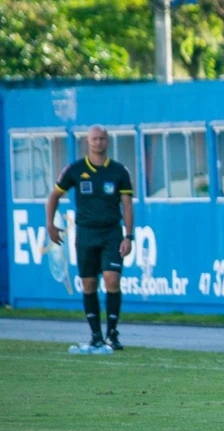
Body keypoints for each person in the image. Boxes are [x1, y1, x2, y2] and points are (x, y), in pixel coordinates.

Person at [45, 125, 134, 351]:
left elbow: (127, 204)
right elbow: (54, 196)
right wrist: (51, 225)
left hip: (111, 232)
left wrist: (129, 235)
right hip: (85, 233)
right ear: (88, 142)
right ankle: (95, 335)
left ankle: (112, 333)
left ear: (108, 142)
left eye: (102, 139)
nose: (98, 142)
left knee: (112, 279)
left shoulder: (119, 171)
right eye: (94, 139)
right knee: (88, 283)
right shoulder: (74, 170)